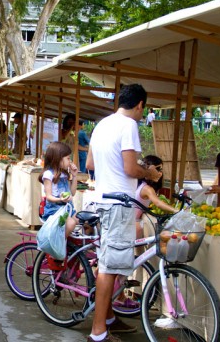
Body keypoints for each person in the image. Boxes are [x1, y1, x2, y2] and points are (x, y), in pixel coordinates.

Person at [86, 84, 162, 341]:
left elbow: (90, 164)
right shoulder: (129, 125)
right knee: (109, 267)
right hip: (118, 205)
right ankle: (98, 332)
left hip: (102, 202)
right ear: (140, 104)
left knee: (111, 263)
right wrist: (148, 173)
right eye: (144, 109)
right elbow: (130, 168)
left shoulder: (102, 124)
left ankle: (108, 318)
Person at [39, 142, 79, 236]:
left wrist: (75, 176)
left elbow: (72, 193)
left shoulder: (64, 174)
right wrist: (60, 199)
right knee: (71, 223)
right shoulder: (48, 174)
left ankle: (69, 246)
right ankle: (58, 246)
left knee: (83, 221)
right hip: (55, 210)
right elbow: (49, 196)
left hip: (68, 208)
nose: (70, 161)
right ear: (58, 159)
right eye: (68, 158)